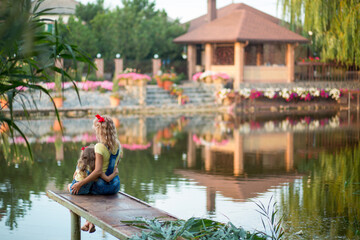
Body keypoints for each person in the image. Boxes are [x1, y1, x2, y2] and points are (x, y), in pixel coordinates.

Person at [70, 114, 122, 233]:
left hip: (102, 186)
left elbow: (98, 171)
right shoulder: (117, 145)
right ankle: (89, 222)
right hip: (115, 185)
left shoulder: (99, 146)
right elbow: (114, 167)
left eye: (96, 130)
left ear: (100, 131)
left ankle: (89, 221)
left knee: (80, 175)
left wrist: (80, 183)